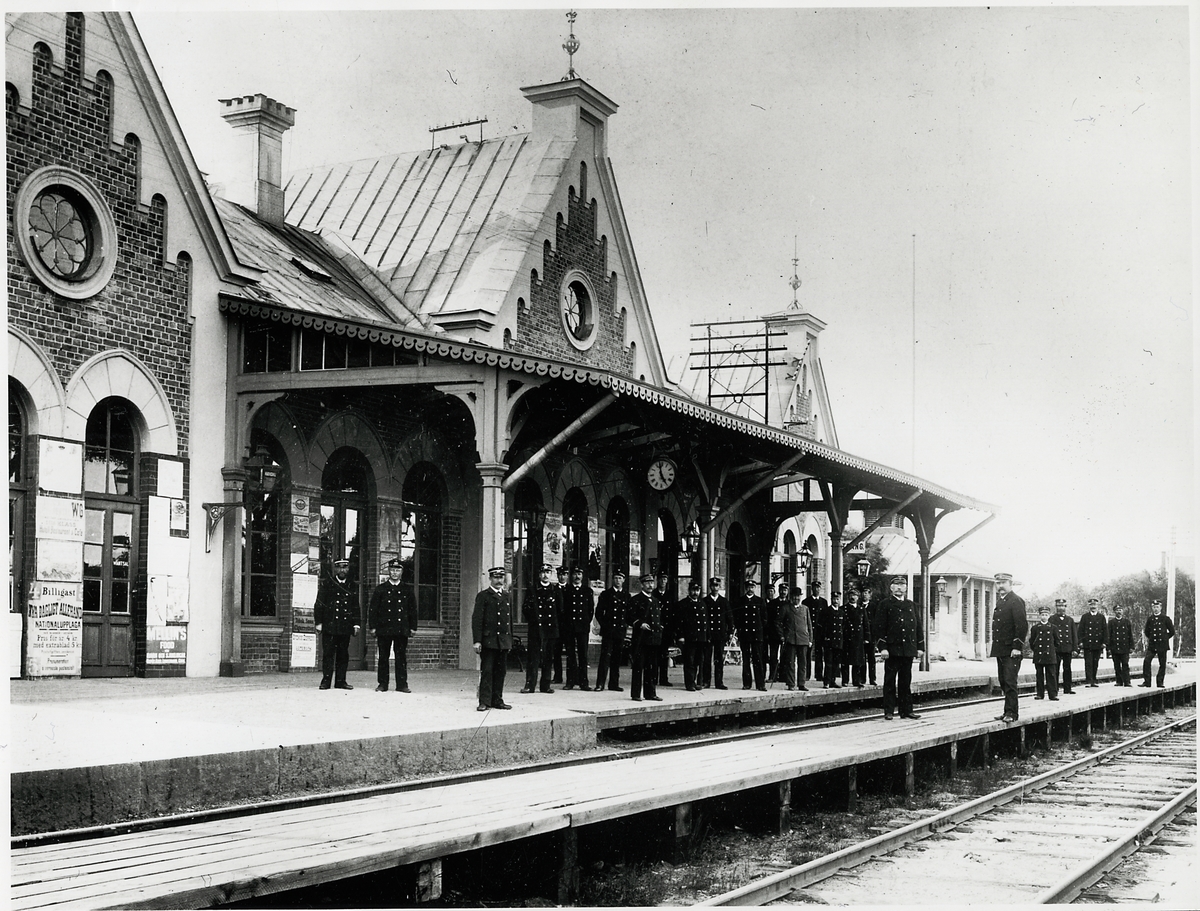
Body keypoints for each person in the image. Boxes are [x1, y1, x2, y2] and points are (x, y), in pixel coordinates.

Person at [874, 574, 924, 719]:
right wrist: (883, 647)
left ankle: (906, 711)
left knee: (905, 681)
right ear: (891, 588)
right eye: (896, 585)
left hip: (908, 649)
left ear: (906, 588)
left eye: (902, 585)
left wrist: (920, 647)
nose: (899, 588)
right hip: (892, 650)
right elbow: (879, 628)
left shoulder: (911, 605)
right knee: (890, 681)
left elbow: (918, 627)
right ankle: (889, 711)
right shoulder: (885, 604)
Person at [368, 557, 417, 693]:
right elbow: (373, 609)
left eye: (397, 570)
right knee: (383, 657)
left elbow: (413, 610)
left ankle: (402, 684)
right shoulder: (381, 589)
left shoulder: (407, 589)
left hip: (401, 629)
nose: (395, 573)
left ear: (401, 572)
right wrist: (373, 627)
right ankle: (383, 684)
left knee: (401, 657)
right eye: (392, 570)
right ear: (389, 571)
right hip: (384, 628)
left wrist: (413, 627)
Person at [314, 558, 361, 690]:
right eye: (339, 567)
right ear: (335, 569)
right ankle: (326, 681)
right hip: (330, 625)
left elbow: (355, 606)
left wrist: (356, 624)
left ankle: (341, 681)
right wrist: (319, 622)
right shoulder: (327, 584)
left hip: (345, 626)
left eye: (344, 567)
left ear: (348, 569)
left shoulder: (352, 585)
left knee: (343, 654)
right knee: (328, 654)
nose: (342, 570)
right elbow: (319, 604)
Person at [472, 566, 514, 711]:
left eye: (501, 577)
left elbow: (509, 620)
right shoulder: (483, 596)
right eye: (495, 577)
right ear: (490, 578)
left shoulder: (507, 596)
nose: (499, 580)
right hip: (488, 640)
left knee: (501, 672)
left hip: (503, 640)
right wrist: (477, 641)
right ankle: (484, 701)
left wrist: (509, 640)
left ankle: (497, 700)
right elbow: (477, 620)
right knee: (487, 671)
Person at [991, 572, 1028, 722]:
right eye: (998, 583)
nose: (1000, 586)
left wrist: (1017, 647)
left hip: (1012, 650)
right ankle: (1007, 710)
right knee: (1003, 680)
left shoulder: (1016, 601)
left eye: (1003, 583)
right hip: (1001, 649)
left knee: (1010, 681)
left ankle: (1012, 713)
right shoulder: (1001, 602)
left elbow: (1021, 625)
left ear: (1010, 584)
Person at [521, 564, 560, 694]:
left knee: (548, 657)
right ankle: (530, 685)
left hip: (550, 629)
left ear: (551, 574)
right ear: (539, 575)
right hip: (536, 629)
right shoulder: (532, 589)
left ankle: (545, 685)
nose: (545, 575)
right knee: (533, 658)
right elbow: (525, 608)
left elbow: (560, 610)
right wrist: (534, 621)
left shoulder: (555, 590)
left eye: (548, 572)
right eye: (543, 572)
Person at [628, 574, 664, 702]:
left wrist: (660, 626)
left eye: (651, 583)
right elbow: (629, 617)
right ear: (642, 585)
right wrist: (639, 624)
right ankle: (636, 694)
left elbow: (658, 617)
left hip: (653, 639)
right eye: (647, 583)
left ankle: (650, 693)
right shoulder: (636, 599)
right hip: (641, 639)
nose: (650, 585)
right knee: (638, 666)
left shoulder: (655, 601)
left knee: (652, 667)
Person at [561, 565, 595, 690]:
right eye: (575, 574)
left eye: (579, 574)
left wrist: (585, 622)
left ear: (582, 576)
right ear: (571, 576)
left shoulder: (587, 591)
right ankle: (570, 681)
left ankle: (584, 682)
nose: (577, 577)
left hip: (582, 627)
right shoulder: (566, 590)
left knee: (583, 655)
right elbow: (563, 609)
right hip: (569, 627)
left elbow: (590, 610)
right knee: (570, 655)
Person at [594, 569, 629, 692]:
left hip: (620, 631)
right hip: (609, 631)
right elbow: (599, 612)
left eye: (620, 578)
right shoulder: (606, 594)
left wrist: (625, 625)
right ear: (612, 580)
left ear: (623, 580)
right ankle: (600, 684)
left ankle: (614, 683)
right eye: (616, 578)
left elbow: (629, 614)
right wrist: (605, 625)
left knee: (616, 658)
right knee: (605, 658)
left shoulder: (627, 595)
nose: (618, 580)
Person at [735, 578, 768, 691]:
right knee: (746, 660)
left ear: (755, 588)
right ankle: (747, 684)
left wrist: (760, 630)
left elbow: (764, 619)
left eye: (752, 587)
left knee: (758, 659)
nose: (750, 589)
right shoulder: (740, 601)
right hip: (745, 634)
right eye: (748, 587)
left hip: (756, 635)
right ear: (745, 588)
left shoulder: (760, 601)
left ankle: (760, 684)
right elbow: (737, 618)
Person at [778, 585, 811, 691]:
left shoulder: (805, 609)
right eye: (794, 596)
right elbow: (778, 623)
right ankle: (791, 683)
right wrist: (782, 635)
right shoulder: (786, 608)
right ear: (791, 597)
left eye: (798, 596)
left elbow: (809, 625)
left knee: (803, 663)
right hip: (790, 639)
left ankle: (801, 683)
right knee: (790, 663)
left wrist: (810, 639)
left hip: (803, 639)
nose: (796, 598)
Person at [676, 579, 707, 691]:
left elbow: (705, 622)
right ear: (689, 590)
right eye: (693, 590)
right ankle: (690, 683)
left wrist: (706, 636)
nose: (695, 593)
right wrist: (680, 636)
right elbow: (679, 622)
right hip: (688, 638)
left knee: (699, 660)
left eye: (697, 590)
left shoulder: (702, 604)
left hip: (701, 638)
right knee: (689, 661)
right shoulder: (683, 604)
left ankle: (697, 682)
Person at [705, 576, 733, 690]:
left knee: (719, 660)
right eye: (713, 585)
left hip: (720, 634)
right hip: (708, 634)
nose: (715, 588)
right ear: (710, 587)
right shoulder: (705, 601)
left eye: (717, 585)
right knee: (706, 658)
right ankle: (706, 681)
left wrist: (730, 632)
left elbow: (729, 618)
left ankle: (719, 682)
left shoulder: (724, 601)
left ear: (719, 587)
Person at [1141, 599, 1175, 688]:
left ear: (1160, 608)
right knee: (1146, 661)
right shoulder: (1150, 619)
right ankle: (1147, 682)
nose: (1155, 609)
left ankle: (1160, 682)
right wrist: (1152, 638)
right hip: (1152, 645)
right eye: (1154, 607)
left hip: (1162, 645)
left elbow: (1172, 631)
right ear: (1152, 608)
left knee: (1162, 664)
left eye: (1157, 607)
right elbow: (1146, 631)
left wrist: (1164, 638)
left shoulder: (1166, 619)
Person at [1029, 605, 1059, 701]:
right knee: (1039, 675)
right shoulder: (1035, 628)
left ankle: (1053, 694)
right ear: (1039, 616)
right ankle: (1040, 694)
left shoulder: (1053, 627)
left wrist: (1051, 650)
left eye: (1046, 615)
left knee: (1051, 675)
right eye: (1042, 615)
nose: (1044, 617)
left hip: (1050, 655)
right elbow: (1032, 642)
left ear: (1049, 616)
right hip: (1039, 655)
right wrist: (1036, 650)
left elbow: (1057, 642)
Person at [1049, 598, 1078, 695]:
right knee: (1055, 669)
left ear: (1066, 607)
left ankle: (1067, 688)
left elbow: (1074, 635)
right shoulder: (1052, 619)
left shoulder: (1070, 620)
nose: (1061, 608)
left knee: (1067, 668)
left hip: (1067, 648)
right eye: (1059, 606)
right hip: (1056, 648)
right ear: (1056, 607)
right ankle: (1055, 689)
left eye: (1062, 606)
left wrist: (1075, 648)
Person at [1077, 597, 1107, 687]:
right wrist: (1080, 642)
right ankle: (1089, 681)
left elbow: (1105, 630)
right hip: (1088, 644)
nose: (1093, 607)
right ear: (1089, 606)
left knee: (1095, 662)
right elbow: (1080, 630)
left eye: (1094, 605)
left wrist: (1104, 642)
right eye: (1091, 605)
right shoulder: (1085, 617)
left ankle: (1093, 680)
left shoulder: (1101, 617)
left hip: (1098, 644)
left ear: (1097, 606)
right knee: (1088, 663)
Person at [819, 591, 845, 689]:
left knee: (836, 663)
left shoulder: (841, 612)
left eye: (838, 599)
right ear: (831, 599)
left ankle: (833, 681)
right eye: (834, 599)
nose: (836, 601)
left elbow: (843, 626)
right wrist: (824, 638)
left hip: (838, 641)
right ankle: (826, 681)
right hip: (829, 641)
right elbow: (822, 626)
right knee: (828, 662)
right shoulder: (826, 611)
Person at [803, 581, 828, 682]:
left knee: (819, 653)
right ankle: (807, 674)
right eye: (815, 587)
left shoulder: (823, 602)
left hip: (819, 631)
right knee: (807, 653)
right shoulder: (806, 601)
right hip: (809, 631)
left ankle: (819, 674)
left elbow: (825, 618)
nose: (816, 589)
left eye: (818, 587)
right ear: (812, 589)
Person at [842, 588, 867, 688]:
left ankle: (856, 680)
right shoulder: (843, 609)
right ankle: (845, 680)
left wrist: (866, 637)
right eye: (851, 595)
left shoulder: (861, 609)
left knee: (857, 660)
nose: (853, 597)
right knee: (845, 660)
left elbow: (865, 624)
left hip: (858, 638)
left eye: (855, 595)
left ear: (858, 597)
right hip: (847, 637)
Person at [655, 571, 675, 687]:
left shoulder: (670, 595)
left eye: (665, 579)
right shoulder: (653, 594)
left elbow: (673, 613)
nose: (663, 581)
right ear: (657, 580)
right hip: (655, 629)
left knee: (664, 654)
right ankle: (653, 678)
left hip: (666, 630)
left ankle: (663, 678)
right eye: (661, 579)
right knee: (654, 654)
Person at [765, 582, 787, 683]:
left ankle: (783, 676)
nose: (783, 592)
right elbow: (769, 619)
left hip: (785, 633)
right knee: (773, 656)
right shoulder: (772, 603)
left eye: (785, 590)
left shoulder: (789, 604)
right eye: (781, 590)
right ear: (778, 591)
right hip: (773, 633)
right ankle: (772, 676)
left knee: (784, 655)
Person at [1107, 605, 1134, 687]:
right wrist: (1108, 648)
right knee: (1117, 665)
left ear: (1122, 611)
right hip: (1115, 647)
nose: (1119, 612)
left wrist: (1131, 647)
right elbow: (1109, 635)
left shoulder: (1127, 622)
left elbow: (1130, 635)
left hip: (1124, 647)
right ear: (1114, 612)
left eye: (1120, 610)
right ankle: (1119, 681)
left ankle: (1127, 681)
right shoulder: (1111, 623)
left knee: (1125, 664)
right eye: (1117, 610)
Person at [550, 566, 569, 684]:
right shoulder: (553, 589)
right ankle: (558, 676)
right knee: (556, 652)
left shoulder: (571, 589)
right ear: (557, 576)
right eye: (560, 575)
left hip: (568, 626)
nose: (562, 577)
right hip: (557, 626)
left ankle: (572, 678)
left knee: (570, 652)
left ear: (567, 576)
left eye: (564, 574)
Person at [861, 588, 877, 686]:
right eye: (863, 593)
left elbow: (876, 622)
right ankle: (862, 679)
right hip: (861, 636)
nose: (864, 595)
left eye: (866, 593)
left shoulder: (874, 607)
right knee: (862, 658)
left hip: (871, 636)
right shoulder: (859, 606)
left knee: (871, 658)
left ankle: (872, 679)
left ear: (870, 596)